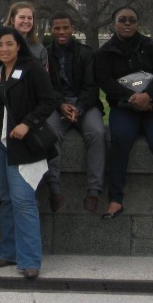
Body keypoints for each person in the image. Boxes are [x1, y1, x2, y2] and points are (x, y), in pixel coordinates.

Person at [0, 26, 56, 280]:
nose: (4, 49)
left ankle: (30, 260)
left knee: (23, 199)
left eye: (9, 44)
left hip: (21, 143)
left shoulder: (32, 69)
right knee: (6, 199)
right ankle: (9, 252)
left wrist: (27, 123)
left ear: (19, 45)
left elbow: (49, 100)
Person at [96, 6, 153, 223]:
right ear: (114, 23)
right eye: (122, 20)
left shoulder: (152, 46)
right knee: (120, 139)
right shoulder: (105, 52)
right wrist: (134, 98)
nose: (127, 24)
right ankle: (115, 200)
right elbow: (105, 81)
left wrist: (148, 96)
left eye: (132, 20)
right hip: (124, 107)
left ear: (137, 23)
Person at [44, 12, 107, 213]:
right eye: (57, 28)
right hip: (57, 105)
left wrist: (79, 108)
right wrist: (61, 105)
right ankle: (54, 189)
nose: (61, 32)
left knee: (97, 133)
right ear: (51, 30)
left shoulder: (86, 53)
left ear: (72, 29)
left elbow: (92, 87)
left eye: (65, 28)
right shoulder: (45, 55)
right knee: (49, 134)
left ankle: (94, 191)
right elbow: (47, 88)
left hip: (85, 105)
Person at [5, 2, 48, 70]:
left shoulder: (39, 49)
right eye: (22, 17)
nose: (26, 21)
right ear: (12, 20)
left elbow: (45, 74)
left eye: (30, 18)